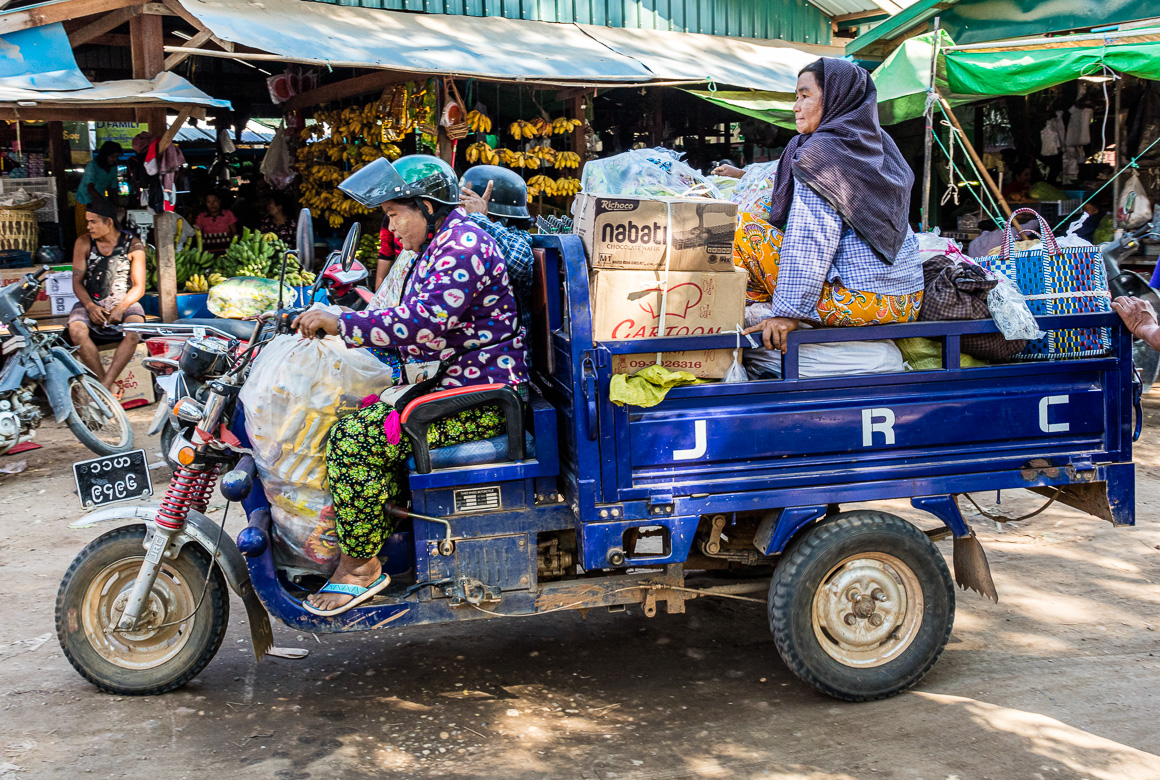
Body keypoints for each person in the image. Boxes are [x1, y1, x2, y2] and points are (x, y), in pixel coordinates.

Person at [290, 155, 529, 616]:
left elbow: (423, 323)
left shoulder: (462, 245)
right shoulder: (434, 246)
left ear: (425, 205)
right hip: (445, 388)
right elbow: (401, 315)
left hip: (480, 400)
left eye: (395, 213)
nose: (391, 226)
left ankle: (360, 568)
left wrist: (344, 323)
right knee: (352, 414)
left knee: (355, 440)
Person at [742, 58, 924, 354]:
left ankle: (771, 309)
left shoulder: (823, 153)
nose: (795, 106)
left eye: (805, 95)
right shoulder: (878, 141)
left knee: (741, 230)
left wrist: (788, 314)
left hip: (863, 302)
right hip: (907, 300)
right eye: (796, 97)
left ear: (837, 98)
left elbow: (811, 238)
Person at [67, 196, 147, 391]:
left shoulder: (133, 245)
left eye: (93, 222)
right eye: (88, 222)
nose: (89, 227)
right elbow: (77, 282)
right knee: (76, 330)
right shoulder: (84, 242)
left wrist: (121, 308)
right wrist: (90, 306)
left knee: (135, 328)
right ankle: (106, 387)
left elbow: (139, 287)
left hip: (123, 300)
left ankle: (105, 384)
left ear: (109, 222)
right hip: (92, 299)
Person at [459, 165, 534, 335]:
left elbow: (519, 261)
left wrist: (478, 218)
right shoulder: (465, 237)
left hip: (504, 351)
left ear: (492, 216)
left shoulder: (517, 237)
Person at [75, 142, 122, 236]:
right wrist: (104, 203)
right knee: (86, 230)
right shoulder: (92, 166)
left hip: (99, 201)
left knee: (99, 229)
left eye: (117, 156)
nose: (115, 159)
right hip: (84, 201)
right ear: (105, 155)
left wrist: (116, 206)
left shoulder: (113, 168)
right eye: (112, 156)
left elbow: (113, 188)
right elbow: (90, 189)